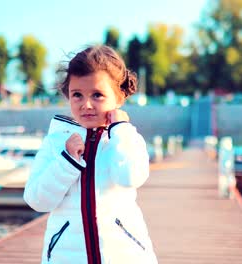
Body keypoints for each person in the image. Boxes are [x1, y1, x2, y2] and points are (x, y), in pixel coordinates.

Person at [23, 45, 158, 264]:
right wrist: (67, 161)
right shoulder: (55, 143)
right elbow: (37, 200)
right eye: (77, 95)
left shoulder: (127, 138)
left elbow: (130, 177)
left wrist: (121, 130)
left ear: (119, 97)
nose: (86, 104)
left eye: (97, 95)